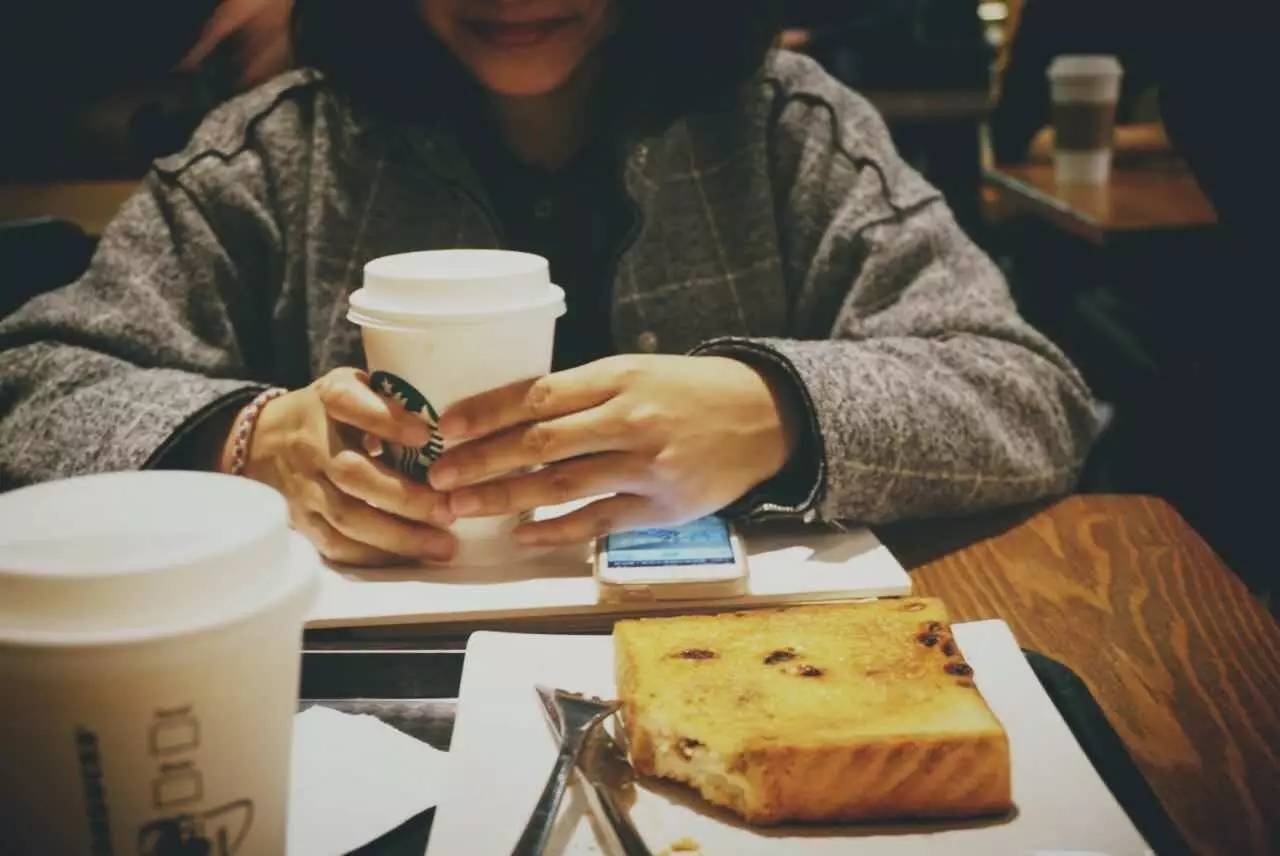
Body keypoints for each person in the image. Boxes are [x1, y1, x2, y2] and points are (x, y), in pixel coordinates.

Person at [0, 0, 1100, 566]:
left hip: (756, 661)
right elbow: (35, 389)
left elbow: (1025, 390)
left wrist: (775, 410)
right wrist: (250, 444)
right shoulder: (283, 153)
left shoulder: (784, 129)